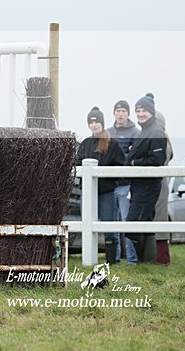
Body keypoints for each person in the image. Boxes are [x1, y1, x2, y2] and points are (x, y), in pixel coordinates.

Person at [75, 106, 126, 264]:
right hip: (88, 192)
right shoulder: (85, 143)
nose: (94, 125)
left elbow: (120, 166)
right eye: (91, 122)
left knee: (109, 225)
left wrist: (109, 179)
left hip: (106, 192)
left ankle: (112, 260)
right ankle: (90, 258)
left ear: (102, 123)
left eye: (97, 121)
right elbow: (77, 163)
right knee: (87, 224)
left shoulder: (113, 144)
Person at [126, 93, 167, 264]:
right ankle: (147, 262)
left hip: (148, 185)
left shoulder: (156, 131)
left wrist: (135, 161)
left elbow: (157, 160)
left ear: (151, 112)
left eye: (144, 110)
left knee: (133, 224)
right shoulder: (145, 130)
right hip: (139, 185)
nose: (141, 114)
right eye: (138, 110)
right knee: (144, 221)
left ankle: (146, 260)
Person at [107, 99, 140, 265]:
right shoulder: (108, 132)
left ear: (128, 114)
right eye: (118, 111)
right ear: (114, 113)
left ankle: (132, 260)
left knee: (127, 221)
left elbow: (133, 155)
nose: (120, 114)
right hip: (111, 184)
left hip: (127, 184)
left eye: (123, 111)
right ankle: (115, 258)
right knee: (112, 222)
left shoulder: (135, 132)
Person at [153, 111, 174, 265]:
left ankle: (162, 258)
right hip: (156, 185)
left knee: (160, 220)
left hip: (159, 185)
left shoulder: (160, 139)